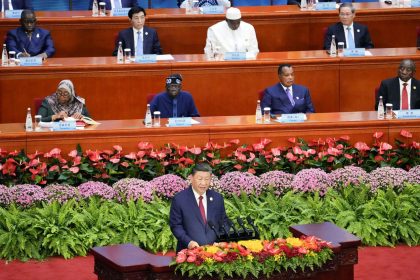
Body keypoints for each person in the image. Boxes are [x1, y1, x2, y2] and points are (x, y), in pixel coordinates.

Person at [169, 163, 228, 252]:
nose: (203, 183)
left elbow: (224, 222)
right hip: (188, 253)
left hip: (214, 252)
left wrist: (220, 240)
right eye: (200, 179)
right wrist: (189, 242)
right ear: (191, 178)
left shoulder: (217, 198)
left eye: (207, 179)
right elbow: (176, 226)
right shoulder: (179, 199)